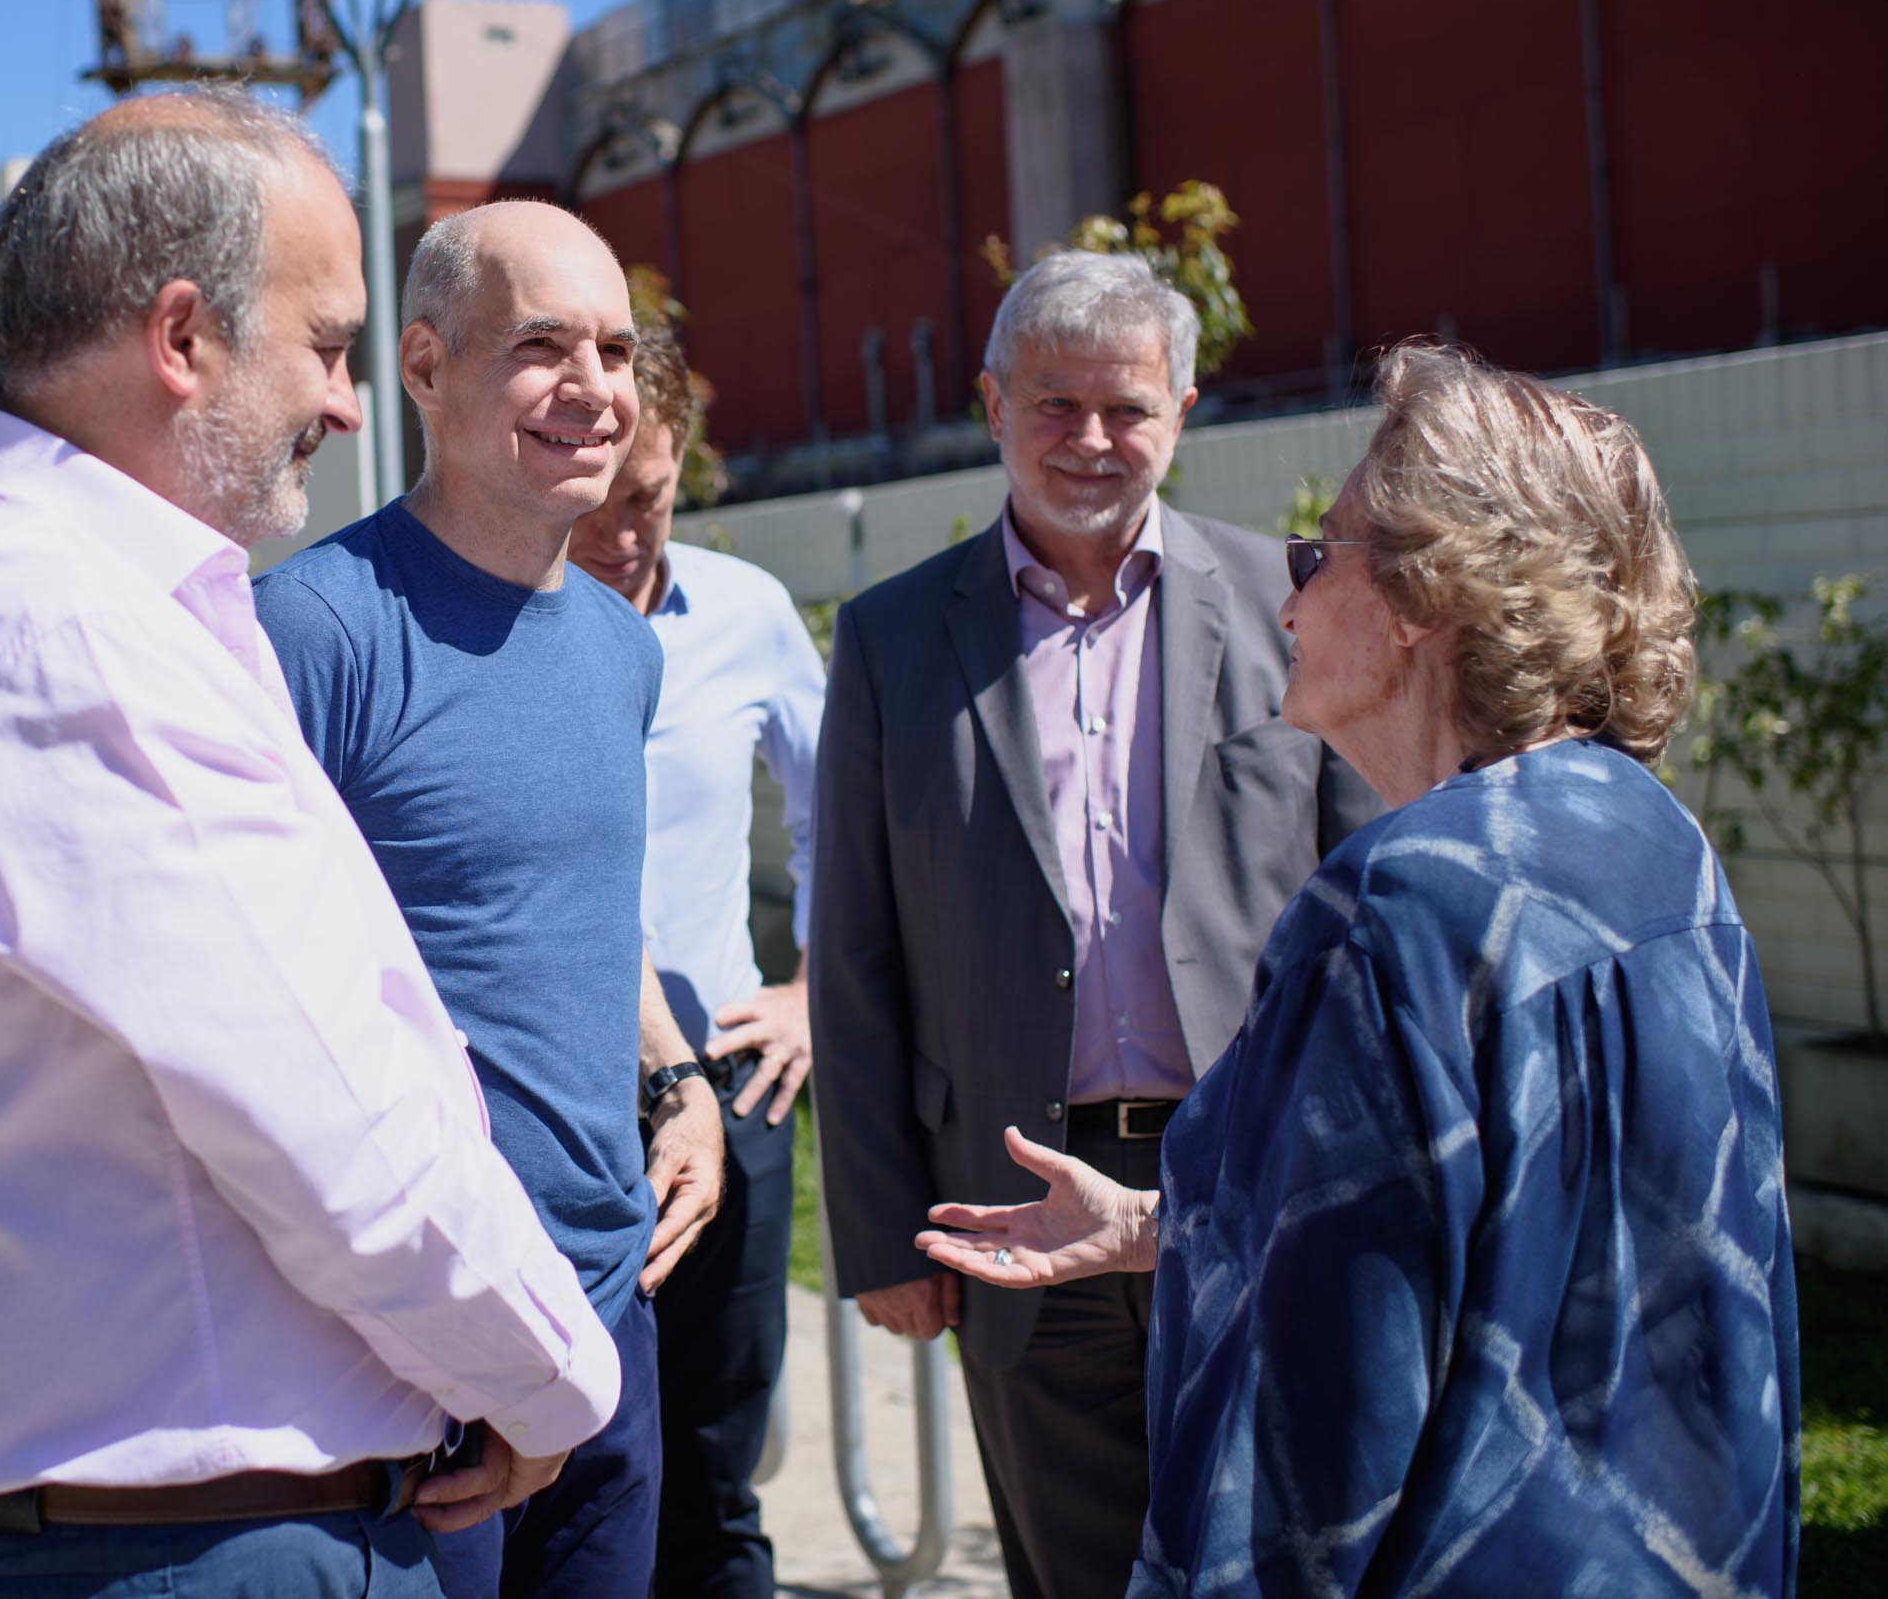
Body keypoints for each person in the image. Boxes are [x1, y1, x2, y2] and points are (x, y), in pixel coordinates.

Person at [0, 88, 621, 1599]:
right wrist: (552, 1379)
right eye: (327, 344)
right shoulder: (66, 634)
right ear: (183, 340)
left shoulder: (45, 602)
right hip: (198, 1549)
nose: (351, 402)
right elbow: (338, 1132)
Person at [921, 342, 1801, 1597]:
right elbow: (1506, 1229)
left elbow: (1312, 1435)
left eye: (1315, 555)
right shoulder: (1654, 837)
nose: (1288, 602)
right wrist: (1155, 1231)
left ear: (1423, 593)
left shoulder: (1393, 906)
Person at [809, 249, 1383, 1598]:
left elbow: (1368, 901)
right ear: (992, 404)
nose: (1091, 439)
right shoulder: (893, 639)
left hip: (1251, 1187)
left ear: (1183, 409)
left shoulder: (1295, 603)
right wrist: (885, 1232)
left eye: (1126, 407)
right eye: (1055, 405)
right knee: (1080, 1574)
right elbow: (854, 951)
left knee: (1284, 1557)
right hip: (1017, 1205)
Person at [253, 202, 723, 1599]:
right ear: (423, 367)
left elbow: (584, 914)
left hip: (610, 1304)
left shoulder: (620, 647)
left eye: (615, 349)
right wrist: (455, 1343)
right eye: (540, 346)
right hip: (415, 1341)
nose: (594, 387)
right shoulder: (317, 632)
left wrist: (677, 1075)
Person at [565, 323, 826, 1598]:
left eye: (652, 501)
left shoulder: (747, 614)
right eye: (601, 506)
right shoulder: (500, 623)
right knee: (565, 1473)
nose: (626, 534)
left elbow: (849, 809)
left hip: (729, 1084)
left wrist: (813, 989)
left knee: (715, 1478)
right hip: (553, 1107)